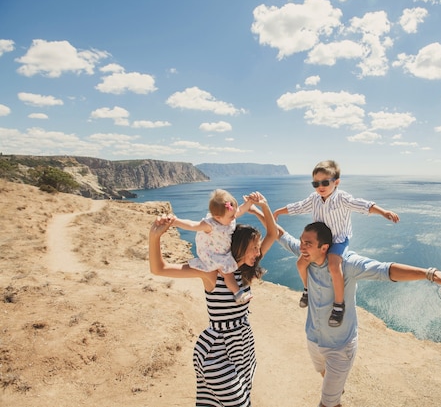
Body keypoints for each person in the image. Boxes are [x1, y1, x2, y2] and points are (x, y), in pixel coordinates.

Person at [251, 205, 441, 407]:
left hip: (340, 347)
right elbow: (279, 234)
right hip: (313, 339)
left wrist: (429, 273)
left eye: (307, 243)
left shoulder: (347, 264)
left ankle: (333, 396)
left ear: (324, 247)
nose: (301, 246)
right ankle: (335, 392)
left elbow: (386, 270)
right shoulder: (306, 256)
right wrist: (258, 211)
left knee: (327, 402)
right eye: (301, 241)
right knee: (323, 373)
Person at [148, 192, 277, 407]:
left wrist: (264, 206)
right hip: (217, 350)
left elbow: (273, 233)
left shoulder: (244, 269)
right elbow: (158, 269)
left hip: (243, 347)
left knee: (237, 398)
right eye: (254, 247)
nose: (258, 252)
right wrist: (155, 237)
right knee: (236, 402)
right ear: (240, 247)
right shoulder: (212, 272)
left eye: (258, 247)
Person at [273, 160, 399, 327]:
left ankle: (338, 304)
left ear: (336, 182)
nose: (320, 186)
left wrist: (383, 212)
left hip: (338, 240)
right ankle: (307, 289)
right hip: (321, 242)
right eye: (315, 183)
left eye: (325, 182)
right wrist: (278, 212)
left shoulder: (342, 198)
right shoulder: (314, 199)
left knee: (333, 266)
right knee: (300, 263)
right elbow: (299, 207)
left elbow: (362, 204)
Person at [170, 189, 256, 304]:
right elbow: (192, 225)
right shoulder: (210, 225)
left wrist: (249, 203)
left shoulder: (228, 217)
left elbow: (240, 210)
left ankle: (237, 292)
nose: (235, 217)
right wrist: (176, 221)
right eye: (231, 216)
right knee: (228, 274)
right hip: (214, 255)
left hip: (222, 252)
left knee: (229, 270)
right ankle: (238, 294)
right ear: (218, 217)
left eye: (234, 214)